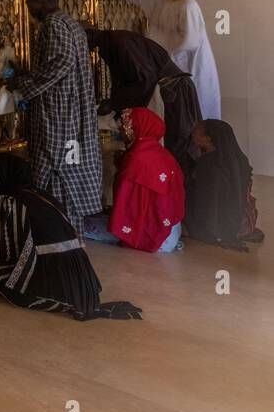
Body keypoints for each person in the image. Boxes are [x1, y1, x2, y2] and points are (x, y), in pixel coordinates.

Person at [0, 154, 142, 320]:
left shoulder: (7, 201)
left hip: (51, 286)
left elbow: (2, 254)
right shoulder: (42, 195)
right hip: (82, 284)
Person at [7, 0, 102, 223]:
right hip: (71, 111)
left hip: (60, 114)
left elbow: (60, 63)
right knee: (65, 170)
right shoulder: (70, 24)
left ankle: (57, 235)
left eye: (28, 2)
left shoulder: (53, 24)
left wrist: (23, 85)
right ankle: (68, 235)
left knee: (56, 169)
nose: (28, 8)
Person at [100, 0, 220, 120]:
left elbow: (188, 43)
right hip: (163, 69)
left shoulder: (188, 6)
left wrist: (149, 50)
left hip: (185, 72)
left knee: (185, 118)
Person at [83, 24, 201, 174]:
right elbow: (125, 81)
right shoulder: (109, 44)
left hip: (173, 93)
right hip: (168, 92)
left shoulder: (120, 43)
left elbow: (145, 80)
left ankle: (177, 183)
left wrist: (114, 104)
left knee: (177, 144)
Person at [83, 108, 185, 253]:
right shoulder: (162, 153)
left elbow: (127, 206)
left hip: (152, 237)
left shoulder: (137, 157)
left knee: (81, 226)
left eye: (125, 126)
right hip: (170, 232)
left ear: (135, 129)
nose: (121, 130)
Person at [186, 120, 264, 251]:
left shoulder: (208, 164)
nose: (192, 133)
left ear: (208, 138)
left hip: (212, 224)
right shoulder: (238, 159)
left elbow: (206, 203)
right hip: (238, 218)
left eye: (197, 131)